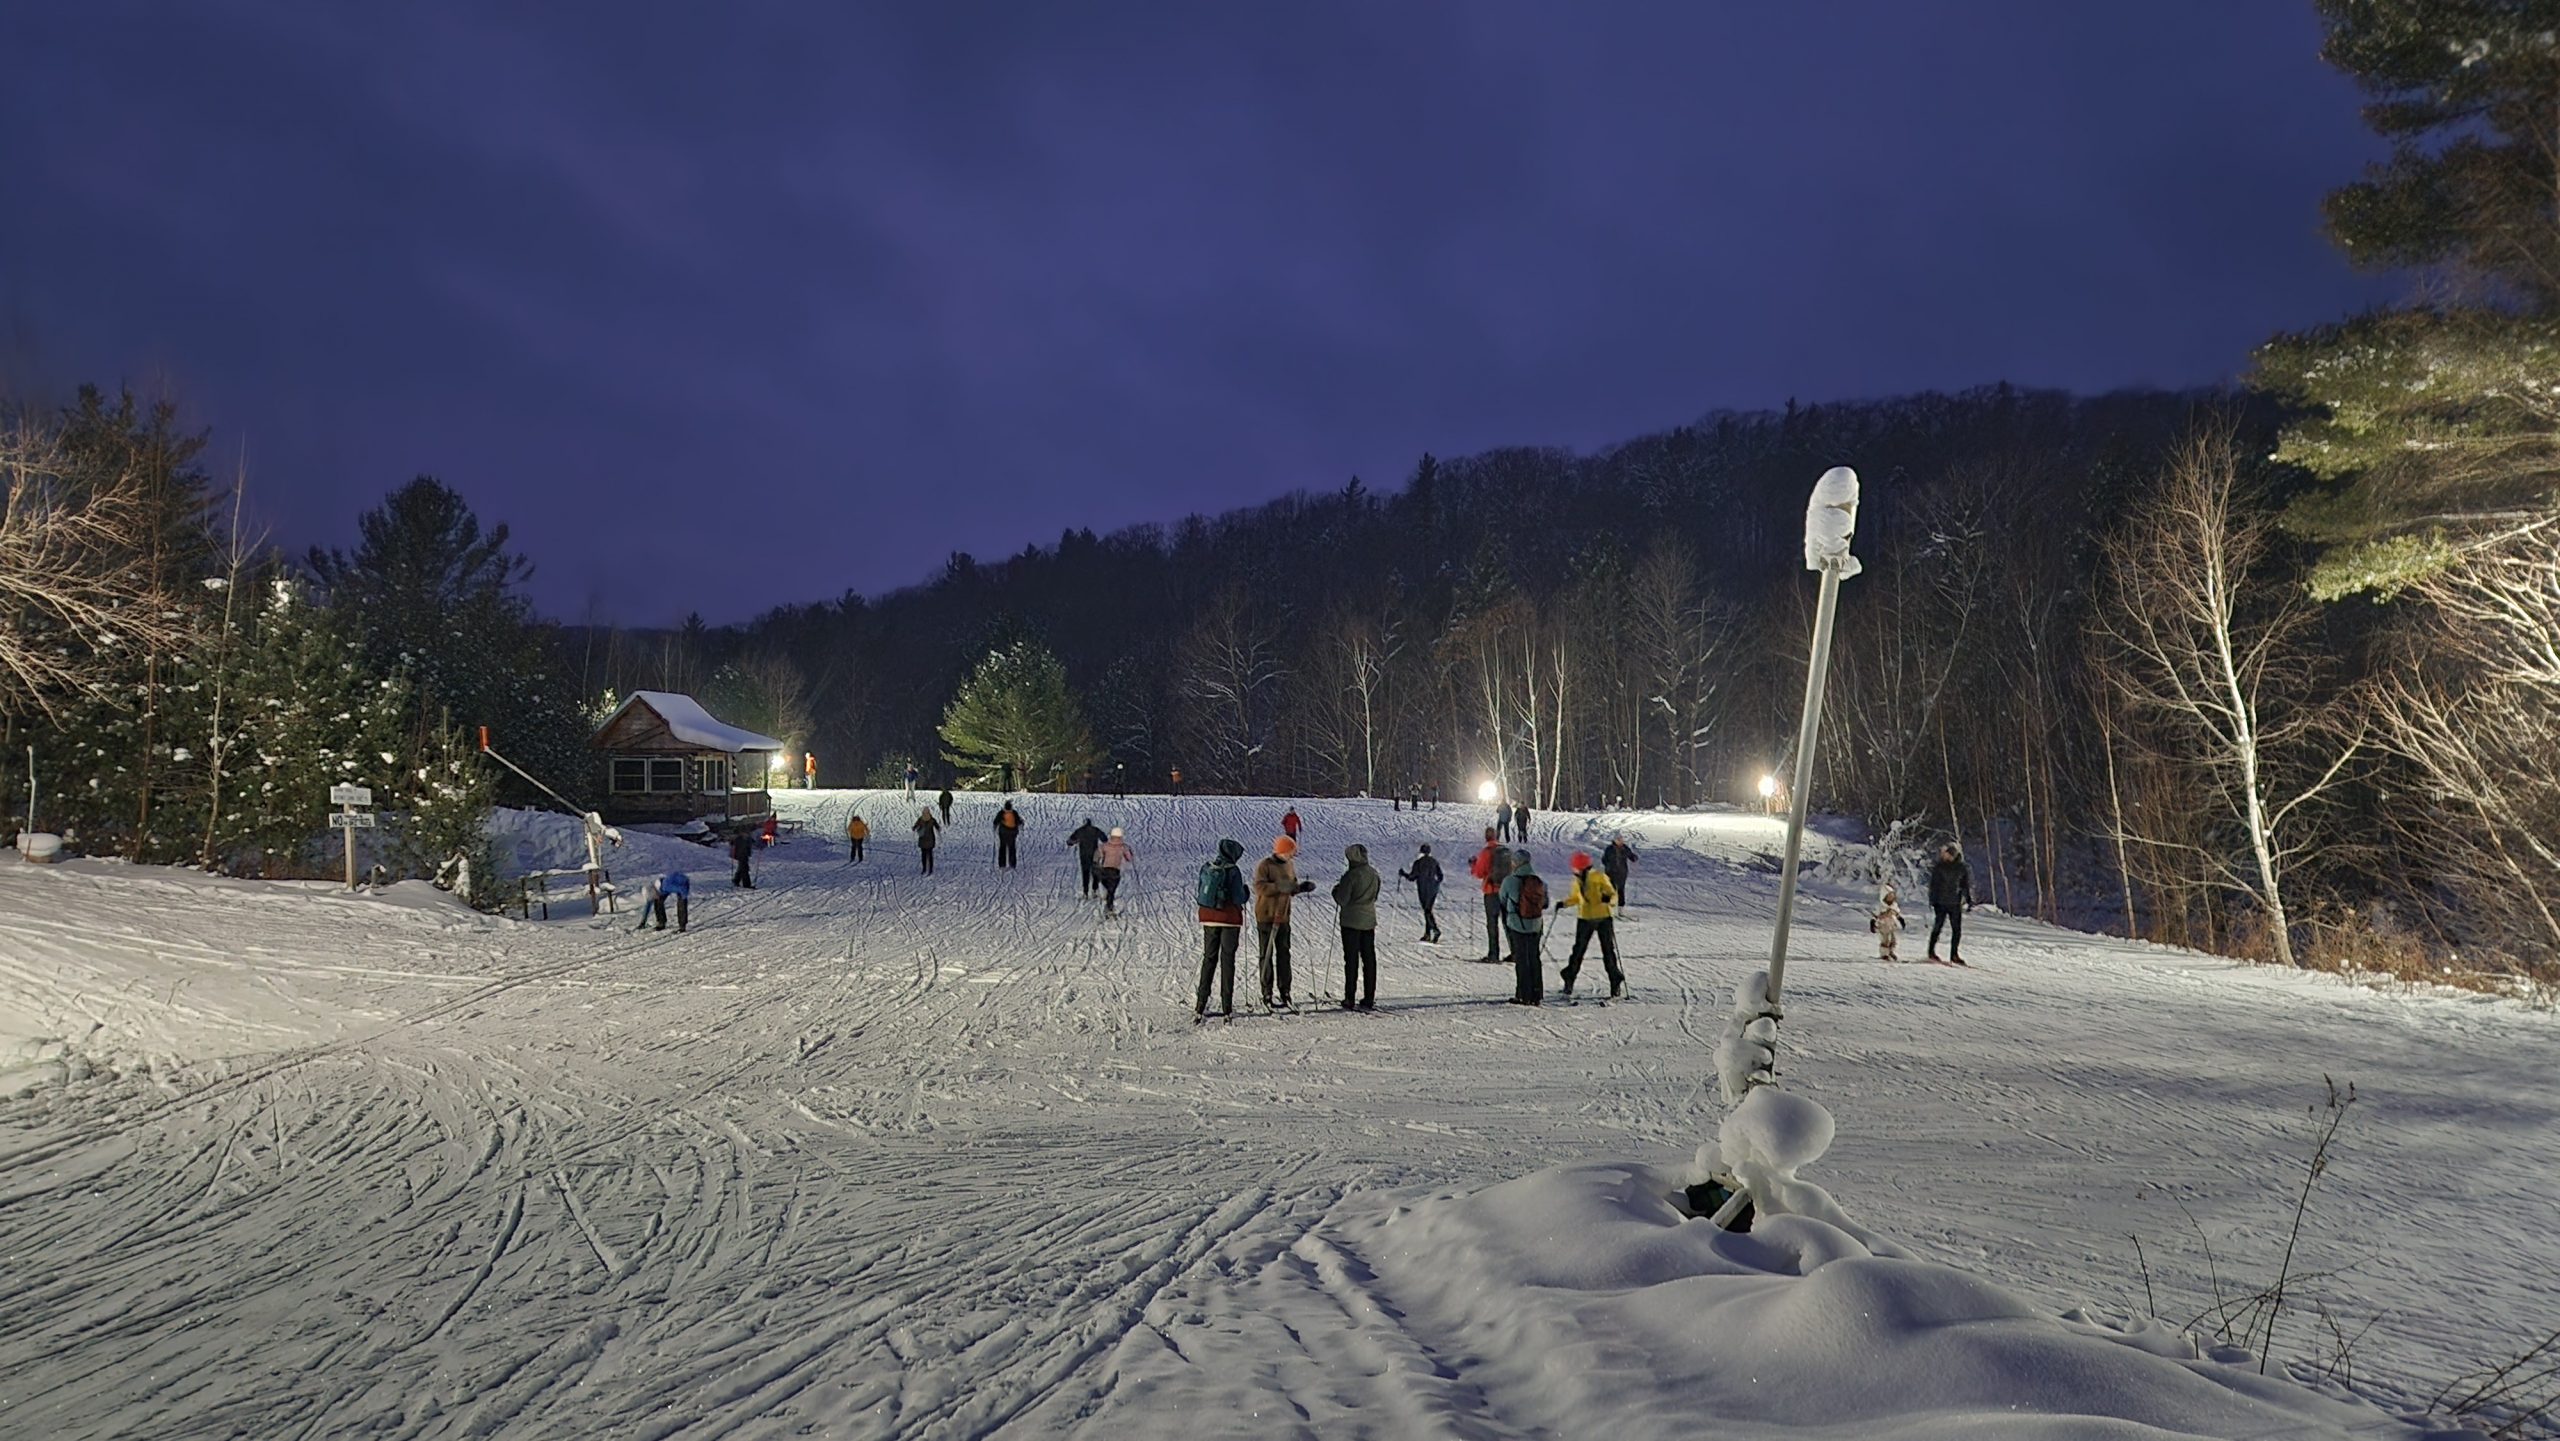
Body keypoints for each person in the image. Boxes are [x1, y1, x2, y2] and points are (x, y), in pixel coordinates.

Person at [1252, 835, 1315, 1009]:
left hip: (1284, 916)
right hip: (1266, 916)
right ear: (1281, 851)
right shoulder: (1265, 865)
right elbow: (1259, 887)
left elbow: (1291, 887)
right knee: (1266, 954)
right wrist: (1279, 886)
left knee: (1284, 954)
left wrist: (1301, 887)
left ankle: (1285, 990)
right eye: (1289, 852)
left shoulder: (1289, 865)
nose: (1292, 856)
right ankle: (1267, 991)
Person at [1195, 838, 1249, 1016]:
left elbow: (1200, 890)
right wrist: (1246, 892)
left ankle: (1201, 1003)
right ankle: (1227, 1005)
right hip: (1229, 920)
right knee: (1227, 961)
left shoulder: (1207, 867)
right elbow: (1238, 898)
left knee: (1209, 959)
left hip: (1208, 917)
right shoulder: (1233, 871)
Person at [1557, 851, 1623, 998]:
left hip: (1602, 917)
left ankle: (1615, 980)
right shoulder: (1577, 881)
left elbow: (1613, 894)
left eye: (1575, 867)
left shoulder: (1599, 877)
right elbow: (1577, 897)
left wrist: (1609, 899)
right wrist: (1564, 903)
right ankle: (1570, 979)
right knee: (1580, 951)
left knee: (1605, 951)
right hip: (1586, 917)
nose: (1573, 870)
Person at [1332, 843, 1381, 1009]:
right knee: (1369, 959)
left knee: (1351, 960)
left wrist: (1335, 891)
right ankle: (1369, 996)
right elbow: (1376, 895)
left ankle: (1349, 997)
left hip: (1351, 921)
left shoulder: (1351, 876)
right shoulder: (1374, 874)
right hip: (1368, 920)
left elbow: (1342, 899)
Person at [1498, 850, 1550, 1004]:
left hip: (1517, 925)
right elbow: (1545, 903)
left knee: (1521, 959)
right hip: (1536, 924)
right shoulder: (1539, 881)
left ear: (1517, 863)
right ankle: (1537, 994)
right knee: (1534, 957)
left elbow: (1502, 899)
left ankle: (1523, 994)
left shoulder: (1509, 880)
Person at [1927, 843, 1972, 964]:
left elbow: (1964, 885)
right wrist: (1933, 900)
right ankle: (1931, 951)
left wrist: (1968, 899)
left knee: (1957, 930)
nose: (1945, 856)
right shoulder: (1939, 867)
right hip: (1941, 902)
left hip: (1955, 903)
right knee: (1938, 927)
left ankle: (1954, 954)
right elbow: (1934, 885)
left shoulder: (1961, 868)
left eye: (1948, 854)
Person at [1468, 828, 1507, 964]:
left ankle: (1494, 954)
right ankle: (1516, 952)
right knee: (1509, 923)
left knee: (1492, 923)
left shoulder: (1486, 852)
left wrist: (1473, 865)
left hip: (1491, 891)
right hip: (1506, 891)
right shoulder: (1505, 851)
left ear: (1486, 837)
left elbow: (1479, 873)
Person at [1399, 843, 1444, 943]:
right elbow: (1440, 876)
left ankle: (1435, 930)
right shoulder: (1434, 862)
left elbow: (1412, 877)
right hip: (1433, 889)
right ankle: (1427, 934)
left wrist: (1403, 874)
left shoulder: (1418, 863)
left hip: (1423, 888)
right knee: (1428, 910)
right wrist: (1435, 883)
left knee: (1427, 910)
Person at [1094, 827, 1133, 916]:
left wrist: (1097, 862)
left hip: (1104, 869)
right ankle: (1109, 906)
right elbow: (1129, 858)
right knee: (1112, 889)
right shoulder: (1124, 847)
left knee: (1107, 885)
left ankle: (1107, 898)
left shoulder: (1105, 846)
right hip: (1115, 870)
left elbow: (1098, 855)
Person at [1067, 816, 1107, 896]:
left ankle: (1085, 891)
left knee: (1085, 873)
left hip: (1084, 854)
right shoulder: (1096, 830)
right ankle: (1094, 889)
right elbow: (1104, 839)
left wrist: (1074, 841)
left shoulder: (1079, 831)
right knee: (1095, 872)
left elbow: (1070, 842)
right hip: (1094, 854)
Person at [1601, 833, 1639, 909]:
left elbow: (1631, 856)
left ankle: (1621, 909)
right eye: (1618, 840)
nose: (1620, 841)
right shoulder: (1609, 849)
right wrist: (1608, 866)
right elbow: (1604, 859)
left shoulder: (1625, 848)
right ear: (1614, 840)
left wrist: (1634, 857)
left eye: (1621, 839)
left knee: (1621, 890)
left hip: (1622, 873)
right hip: (1610, 872)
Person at [1872, 884, 1905, 962]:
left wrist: (1901, 920)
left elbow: (1897, 914)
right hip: (1883, 926)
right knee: (1885, 940)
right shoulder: (1880, 906)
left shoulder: (1894, 906)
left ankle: (1891, 952)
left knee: (1893, 940)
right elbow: (1875, 915)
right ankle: (1884, 954)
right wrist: (1873, 923)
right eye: (1889, 895)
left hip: (1892, 925)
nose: (1891, 897)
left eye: (1892, 895)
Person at [994, 800, 1023, 868]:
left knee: (1002, 847)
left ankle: (1002, 864)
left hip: (1003, 832)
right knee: (1012, 848)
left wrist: (995, 826)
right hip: (1013, 833)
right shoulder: (1014, 813)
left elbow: (995, 822)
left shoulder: (1001, 813)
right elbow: (1019, 821)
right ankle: (1012, 864)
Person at [914, 808, 940, 874]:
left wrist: (915, 828)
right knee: (929, 855)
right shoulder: (931, 820)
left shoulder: (921, 819)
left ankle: (925, 869)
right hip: (929, 840)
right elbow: (937, 827)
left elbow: (915, 826)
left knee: (924, 855)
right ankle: (928, 869)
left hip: (924, 840)